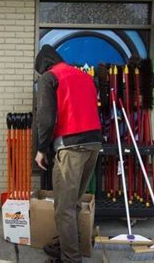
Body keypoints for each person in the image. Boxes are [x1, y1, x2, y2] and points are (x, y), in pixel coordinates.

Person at [34, 45, 102, 263]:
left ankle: (70, 259)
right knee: (73, 203)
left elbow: (45, 118)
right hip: (94, 144)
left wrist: (41, 148)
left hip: (71, 147)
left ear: (43, 66)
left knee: (63, 207)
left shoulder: (49, 78)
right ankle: (72, 246)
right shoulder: (85, 77)